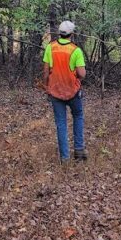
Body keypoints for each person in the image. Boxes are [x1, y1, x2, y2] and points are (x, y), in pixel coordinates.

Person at [43, 20, 87, 162]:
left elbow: (45, 72)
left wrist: (46, 86)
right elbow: (82, 74)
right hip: (72, 91)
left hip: (55, 91)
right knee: (78, 116)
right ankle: (79, 151)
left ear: (59, 33)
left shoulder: (50, 47)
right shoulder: (76, 50)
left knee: (61, 123)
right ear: (71, 34)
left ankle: (65, 158)